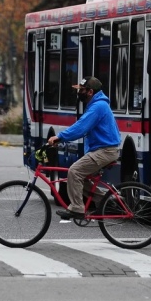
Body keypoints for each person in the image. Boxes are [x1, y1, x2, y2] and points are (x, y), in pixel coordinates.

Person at [47, 76, 121, 220]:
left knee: (74, 172)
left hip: (105, 151)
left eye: (81, 90)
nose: (79, 93)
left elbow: (81, 127)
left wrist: (59, 137)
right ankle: (107, 201)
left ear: (90, 92)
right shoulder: (97, 105)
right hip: (103, 150)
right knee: (82, 177)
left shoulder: (98, 106)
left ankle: (77, 209)